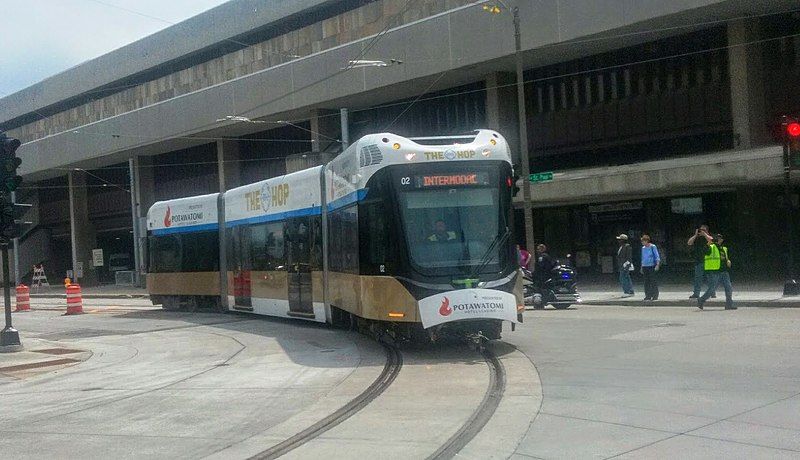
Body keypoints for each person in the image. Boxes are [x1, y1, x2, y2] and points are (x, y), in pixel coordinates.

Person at [698, 233, 736, 310]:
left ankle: (729, 304)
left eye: (720, 238)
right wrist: (708, 243)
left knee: (728, 287)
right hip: (714, 271)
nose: (719, 239)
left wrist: (728, 261)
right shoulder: (711, 247)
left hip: (724, 271)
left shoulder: (724, 248)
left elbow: (723, 258)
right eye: (718, 238)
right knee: (712, 289)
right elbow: (704, 251)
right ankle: (701, 300)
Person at [687, 224, 715, 299]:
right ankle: (696, 293)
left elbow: (711, 241)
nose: (701, 231)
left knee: (710, 278)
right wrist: (695, 235)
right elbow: (689, 243)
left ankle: (712, 292)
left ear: (707, 231)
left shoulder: (708, 237)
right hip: (699, 261)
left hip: (708, 261)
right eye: (700, 230)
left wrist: (705, 234)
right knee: (698, 279)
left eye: (704, 230)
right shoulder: (697, 238)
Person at [639, 234, 661, 301]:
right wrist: (641, 267)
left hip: (651, 266)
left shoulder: (652, 247)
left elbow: (657, 256)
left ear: (646, 241)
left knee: (653, 281)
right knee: (646, 281)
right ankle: (648, 295)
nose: (642, 242)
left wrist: (657, 265)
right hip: (645, 266)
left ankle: (655, 295)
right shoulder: (643, 248)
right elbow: (642, 258)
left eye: (643, 241)